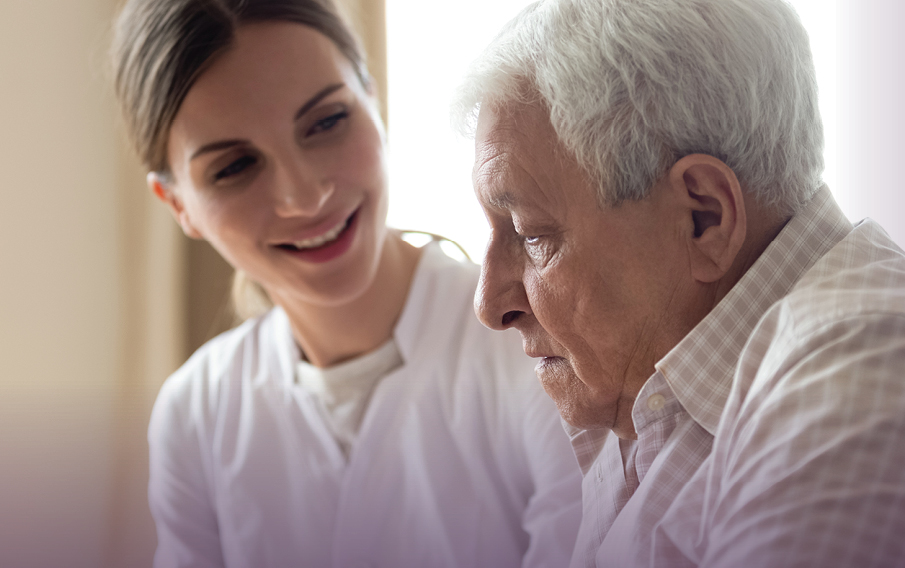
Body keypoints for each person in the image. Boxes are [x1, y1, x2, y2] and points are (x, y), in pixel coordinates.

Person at [454, 0, 905, 566]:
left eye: (530, 234)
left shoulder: (874, 382)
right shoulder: (660, 401)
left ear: (704, 217)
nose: (488, 302)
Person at [111, 1, 583, 566]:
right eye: (235, 166)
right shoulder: (195, 415)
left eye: (327, 122)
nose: (304, 196)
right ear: (178, 205)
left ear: (373, 98)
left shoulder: (538, 345)